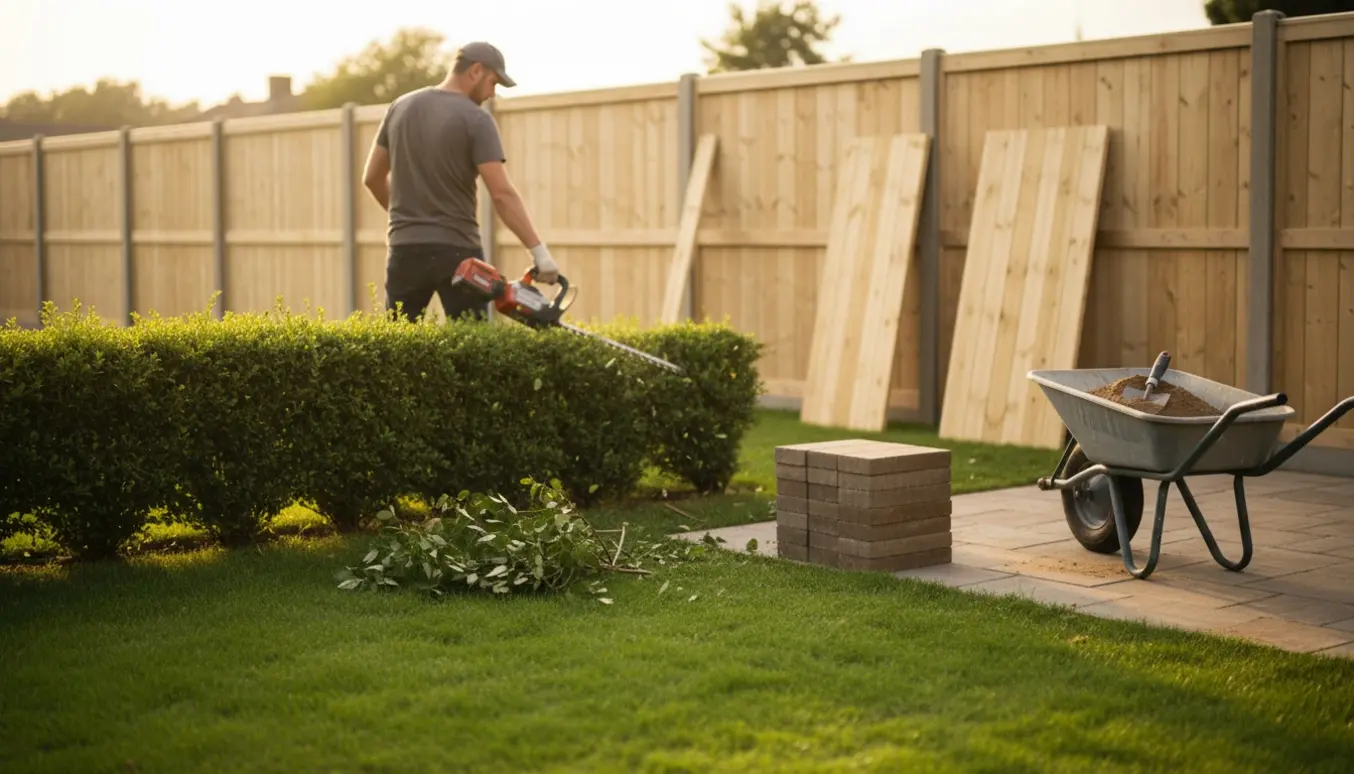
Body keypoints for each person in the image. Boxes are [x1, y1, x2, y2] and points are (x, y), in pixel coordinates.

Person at [360, 41, 559, 323]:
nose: (492, 94)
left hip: (404, 249)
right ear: (476, 71)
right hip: (459, 254)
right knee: (470, 342)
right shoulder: (476, 119)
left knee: (398, 341)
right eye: (493, 83)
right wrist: (540, 253)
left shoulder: (400, 107)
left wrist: (408, 219)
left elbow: (372, 177)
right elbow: (501, 194)